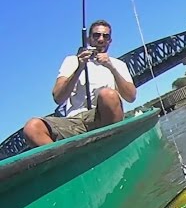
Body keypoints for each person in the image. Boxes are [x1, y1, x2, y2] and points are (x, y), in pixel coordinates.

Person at [22, 19, 137, 147]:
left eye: (106, 36)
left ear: (110, 40)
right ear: (88, 39)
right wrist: (80, 67)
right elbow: (58, 97)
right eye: (96, 35)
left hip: (102, 118)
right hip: (75, 121)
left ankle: (114, 144)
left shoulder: (118, 65)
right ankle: (66, 162)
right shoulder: (72, 61)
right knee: (32, 127)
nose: (100, 39)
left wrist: (111, 67)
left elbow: (131, 97)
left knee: (108, 95)